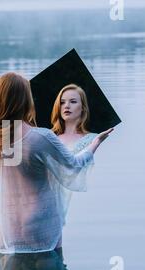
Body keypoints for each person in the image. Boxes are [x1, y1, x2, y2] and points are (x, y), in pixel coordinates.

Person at [0, 72, 112, 254]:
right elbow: (73, 166)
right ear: (25, 99)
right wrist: (96, 143)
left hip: (6, 226)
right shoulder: (40, 137)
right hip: (40, 225)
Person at [50, 84, 97, 228]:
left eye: (73, 101)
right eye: (62, 102)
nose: (67, 106)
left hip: (75, 206)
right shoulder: (49, 137)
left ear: (83, 107)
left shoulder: (92, 139)